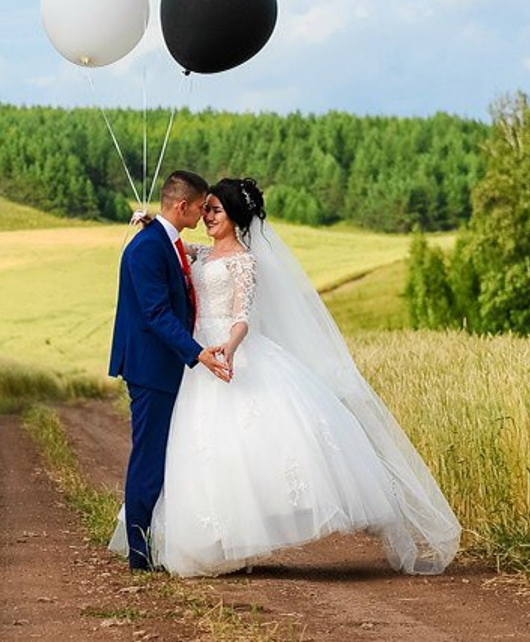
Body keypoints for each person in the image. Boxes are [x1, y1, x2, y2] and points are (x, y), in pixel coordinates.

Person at [111, 177, 460, 577]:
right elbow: (174, 252)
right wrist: (152, 222)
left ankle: (225, 539)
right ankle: (180, 543)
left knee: (233, 449)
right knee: (195, 452)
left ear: (234, 217)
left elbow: (241, 316)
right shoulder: (196, 253)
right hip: (196, 358)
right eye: (203, 208)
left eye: (215, 210)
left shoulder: (244, 260)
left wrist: (231, 344)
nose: (207, 216)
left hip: (221, 351)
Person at [108, 170, 231, 571]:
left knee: (162, 453)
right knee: (149, 456)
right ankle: (139, 553)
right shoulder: (147, 249)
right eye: (199, 207)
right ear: (182, 206)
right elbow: (156, 313)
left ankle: (152, 542)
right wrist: (198, 354)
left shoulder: (165, 241)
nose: (203, 213)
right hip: (150, 367)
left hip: (162, 365)